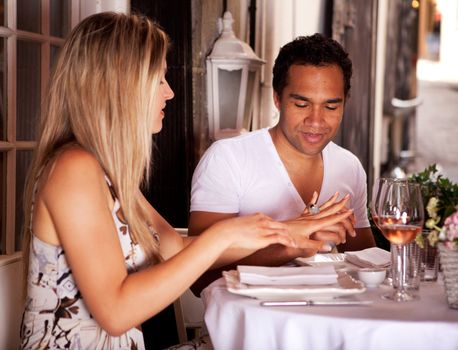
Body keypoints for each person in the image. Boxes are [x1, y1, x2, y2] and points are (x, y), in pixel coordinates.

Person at [19, 13, 355, 349]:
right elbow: (115, 312)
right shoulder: (73, 168)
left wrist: (291, 234)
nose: (170, 92)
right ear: (121, 84)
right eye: (159, 79)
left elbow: (176, 249)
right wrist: (223, 234)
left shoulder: (107, 172)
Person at [188, 33, 376, 294]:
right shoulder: (228, 159)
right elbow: (197, 279)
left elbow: (367, 265)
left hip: (329, 323)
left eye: (331, 107)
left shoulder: (349, 166)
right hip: (250, 328)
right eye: (301, 104)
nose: (316, 121)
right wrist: (293, 244)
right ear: (277, 98)